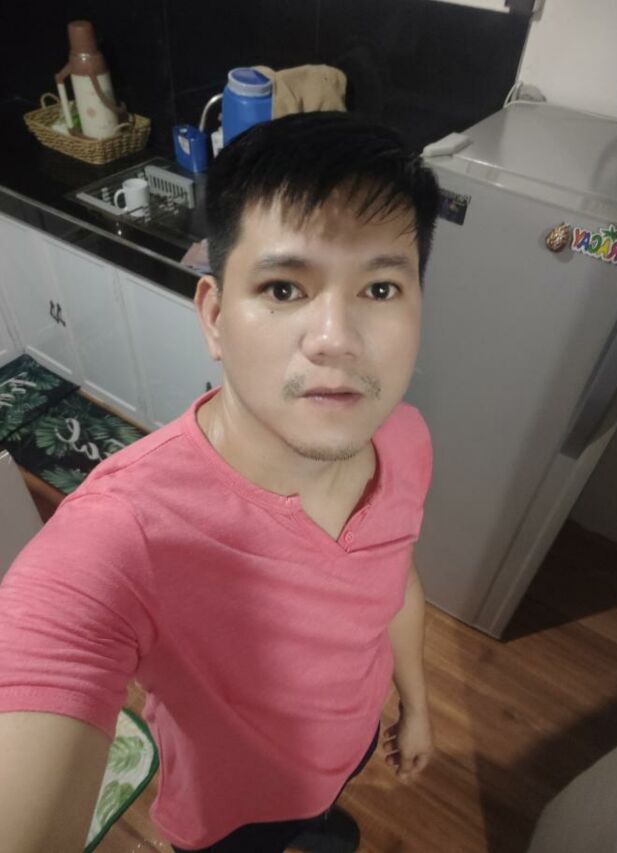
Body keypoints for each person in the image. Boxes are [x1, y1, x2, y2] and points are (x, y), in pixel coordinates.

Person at [0, 111, 439, 853]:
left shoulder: (405, 437)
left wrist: (416, 705)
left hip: (353, 744)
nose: (336, 339)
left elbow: (395, 579)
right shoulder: (123, 536)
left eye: (381, 288)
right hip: (229, 815)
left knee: (321, 815)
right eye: (283, 288)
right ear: (213, 316)